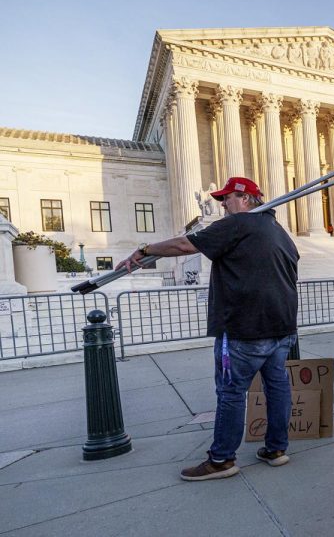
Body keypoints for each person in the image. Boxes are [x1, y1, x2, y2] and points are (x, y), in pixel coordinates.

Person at [117, 177, 299, 481]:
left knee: (231, 392)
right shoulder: (280, 233)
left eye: (225, 198)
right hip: (281, 329)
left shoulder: (240, 223)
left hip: (244, 329)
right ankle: (276, 449)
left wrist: (144, 249)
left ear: (243, 198)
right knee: (277, 387)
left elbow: (185, 243)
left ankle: (222, 459)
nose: (222, 205)